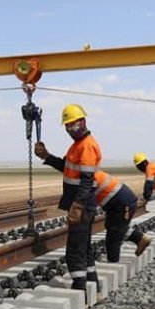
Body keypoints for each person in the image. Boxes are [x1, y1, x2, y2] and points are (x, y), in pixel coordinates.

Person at [33, 103, 100, 292]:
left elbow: (87, 179)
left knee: (75, 246)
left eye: (75, 125)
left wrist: (77, 206)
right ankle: (93, 284)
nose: (72, 129)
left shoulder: (86, 146)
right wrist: (46, 156)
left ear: (83, 121)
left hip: (82, 203)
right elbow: (66, 167)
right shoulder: (77, 146)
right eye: (68, 126)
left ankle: (80, 287)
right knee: (84, 244)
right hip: (81, 202)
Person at [92, 168, 153, 262]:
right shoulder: (91, 171)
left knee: (113, 233)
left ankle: (113, 261)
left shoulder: (85, 177)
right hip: (122, 202)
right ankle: (140, 238)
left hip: (122, 204)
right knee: (115, 226)